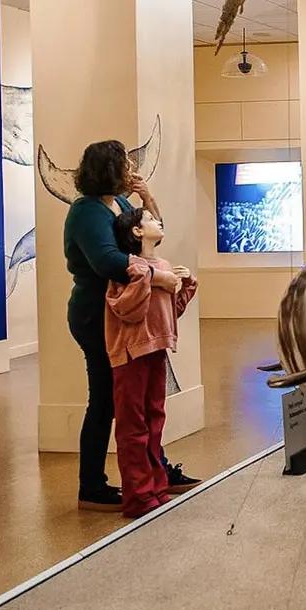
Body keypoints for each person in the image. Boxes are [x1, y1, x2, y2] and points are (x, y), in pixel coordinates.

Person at [63, 141, 199, 511]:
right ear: (109, 168)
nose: (131, 169)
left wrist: (148, 198)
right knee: (107, 401)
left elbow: (150, 236)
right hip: (100, 316)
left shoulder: (119, 204)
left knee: (142, 403)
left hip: (133, 316)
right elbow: (108, 261)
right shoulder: (86, 212)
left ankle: (157, 472)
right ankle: (92, 484)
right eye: (125, 164)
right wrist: (162, 279)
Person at [105, 209, 197, 519]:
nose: (158, 221)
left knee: (154, 420)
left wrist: (184, 287)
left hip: (157, 350)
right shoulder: (129, 267)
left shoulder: (163, 267)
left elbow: (169, 312)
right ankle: (137, 495)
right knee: (133, 425)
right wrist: (152, 279)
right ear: (137, 231)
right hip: (130, 355)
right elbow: (126, 308)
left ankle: (155, 487)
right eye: (150, 219)